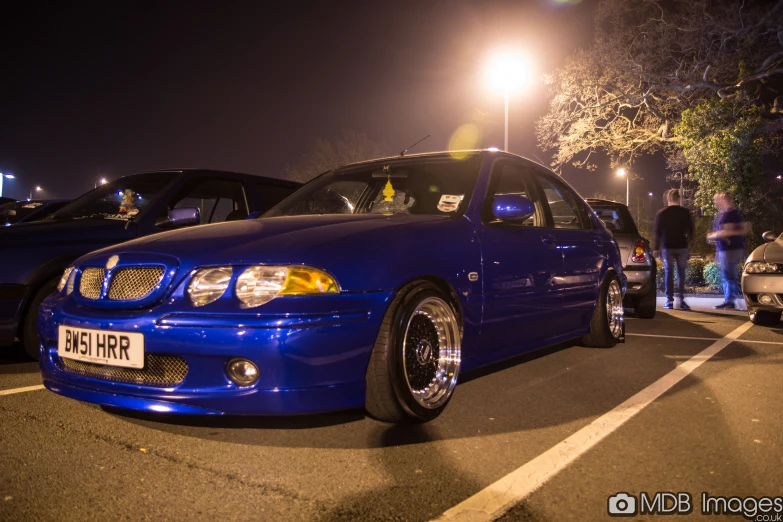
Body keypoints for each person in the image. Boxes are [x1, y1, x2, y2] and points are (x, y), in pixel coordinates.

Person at [653, 189, 694, 310]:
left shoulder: (662, 213)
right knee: (681, 274)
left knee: (668, 273)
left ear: (668, 199)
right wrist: (690, 245)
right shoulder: (685, 212)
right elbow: (691, 230)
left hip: (667, 247)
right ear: (679, 198)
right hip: (682, 246)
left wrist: (656, 248)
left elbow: (657, 232)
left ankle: (669, 300)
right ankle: (681, 300)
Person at [707, 192, 746, 309]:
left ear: (723, 199)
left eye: (717, 199)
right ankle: (731, 298)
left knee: (728, 276)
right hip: (727, 249)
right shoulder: (726, 214)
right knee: (728, 275)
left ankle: (730, 300)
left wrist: (712, 236)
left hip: (729, 250)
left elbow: (727, 232)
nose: (715, 202)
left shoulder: (729, 214)